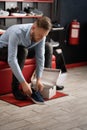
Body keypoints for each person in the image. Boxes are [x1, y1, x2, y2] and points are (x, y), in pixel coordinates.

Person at [0, 16, 52, 102]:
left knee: (48, 46)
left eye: (44, 36)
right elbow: (11, 59)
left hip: (21, 49)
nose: (41, 38)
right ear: (33, 28)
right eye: (39, 35)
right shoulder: (17, 32)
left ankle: (43, 83)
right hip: (2, 49)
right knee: (22, 51)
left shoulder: (41, 36)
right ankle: (16, 89)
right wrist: (23, 83)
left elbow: (40, 56)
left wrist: (39, 78)